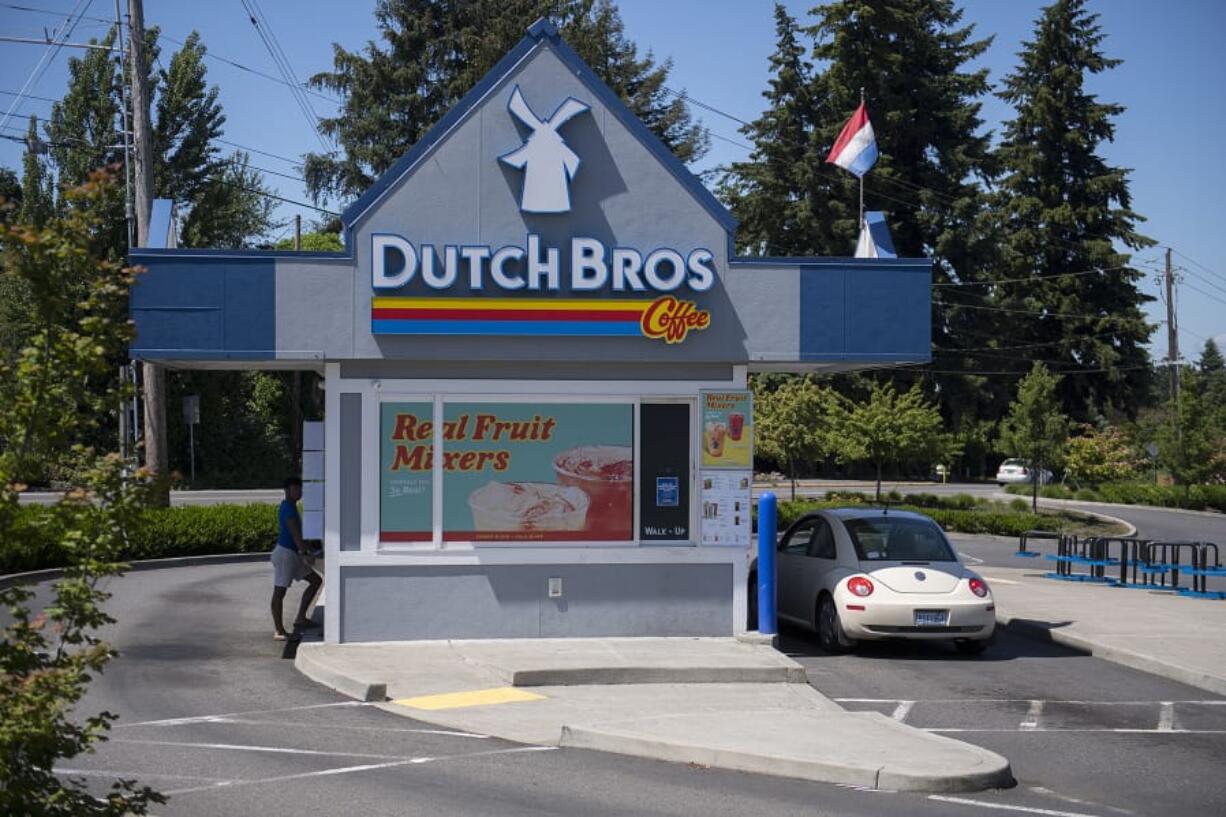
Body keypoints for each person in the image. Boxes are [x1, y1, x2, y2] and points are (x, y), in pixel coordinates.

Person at [271, 476, 322, 640]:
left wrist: (308, 548)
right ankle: (279, 630)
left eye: (300, 488)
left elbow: (300, 535)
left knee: (315, 581)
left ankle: (300, 618)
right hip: (286, 554)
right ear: (287, 490)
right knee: (280, 591)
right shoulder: (288, 508)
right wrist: (306, 553)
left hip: (292, 553)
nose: (299, 491)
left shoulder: (291, 506)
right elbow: (295, 535)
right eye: (295, 488)